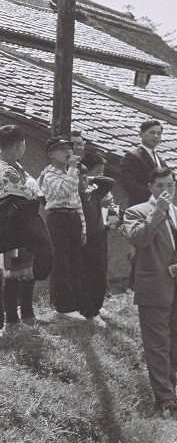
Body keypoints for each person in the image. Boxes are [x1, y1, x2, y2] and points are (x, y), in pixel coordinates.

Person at [122, 167, 177, 416]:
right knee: (157, 346)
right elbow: (138, 239)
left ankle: (170, 392)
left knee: (174, 345)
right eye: (160, 186)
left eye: (170, 185)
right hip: (153, 289)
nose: (166, 190)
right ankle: (164, 399)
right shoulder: (136, 212)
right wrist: (158, 212)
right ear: (150, 187)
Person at [1, 125, 45, 332]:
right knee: (13, 272)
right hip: (8, 227)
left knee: (26, 270)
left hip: (21, 226)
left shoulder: (16, 167)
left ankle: (27, 315)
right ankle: (11, 321)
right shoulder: (5, 170)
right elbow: (31, 192)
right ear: (19, 145)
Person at [40, 136, 89, 321]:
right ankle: (63, 306)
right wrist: (74, 170)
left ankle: (76, 304)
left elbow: (76, 202)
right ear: (51, 154)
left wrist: (83, 228)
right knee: (62, 263)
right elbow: (64, 191)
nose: (68, 151)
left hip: (73, 218)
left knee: (76, 263)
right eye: (62, 148)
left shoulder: (70, 173)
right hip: (58, 218)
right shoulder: (48, 175)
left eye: (69, 147)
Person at [78, 151, 117, 328]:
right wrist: (88, 179)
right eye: (98, 171)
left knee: (101, 271)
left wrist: (114, 222)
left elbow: (112, 205)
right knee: (90, 273)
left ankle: (97, 307)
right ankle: (89, 311)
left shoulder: (100, 189)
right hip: (89, 234)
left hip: (102, 231)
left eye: (102, 171)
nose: (101, 175)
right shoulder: (83, 190)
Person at [119, 120, 168, 207]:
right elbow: (129, 184)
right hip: (140, 207)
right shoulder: (132, 157)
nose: (156, 136)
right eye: (152, 133)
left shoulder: (160, 160)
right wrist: (154, 194)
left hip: (160, 206)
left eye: (159, 133)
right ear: (141, 134)